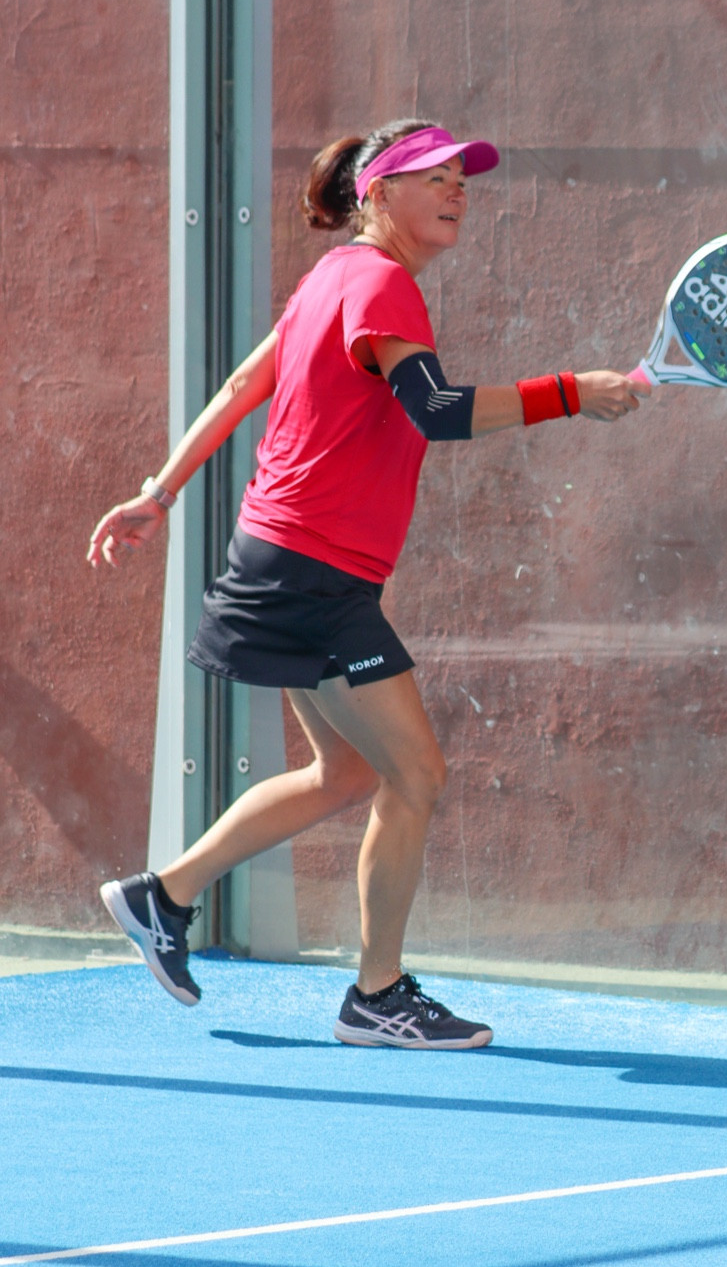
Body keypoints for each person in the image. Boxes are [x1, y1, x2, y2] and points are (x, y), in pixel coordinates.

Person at [88, 118, 642, 1049]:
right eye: (435, 176)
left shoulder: (332, 278)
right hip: (314, 572)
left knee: (344, 770)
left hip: (283, 557)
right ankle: (377, 995)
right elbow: (437, 410)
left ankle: (163, 896)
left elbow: (242, 385)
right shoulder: (380, 283)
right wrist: (571, 393)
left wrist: (161, 492)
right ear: (379, 193)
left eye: (463, 177)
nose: (458, 189)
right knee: (416, 773)